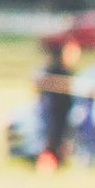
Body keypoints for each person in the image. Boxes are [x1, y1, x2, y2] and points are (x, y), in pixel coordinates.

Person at [37, 41, 78, 170]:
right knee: (52, 139)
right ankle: (47, 164)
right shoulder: (54, 71)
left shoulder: (68, 72)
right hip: (53, 112)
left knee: (62, 139)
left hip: (64, 112)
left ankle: (58, 162)